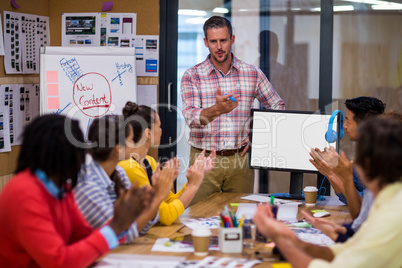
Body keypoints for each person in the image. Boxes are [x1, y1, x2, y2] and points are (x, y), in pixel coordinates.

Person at [0, 114, 152, 267]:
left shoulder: (60, 188)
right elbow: (59, 261)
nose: (82, 159)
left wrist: (118, 224)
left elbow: (82, 235)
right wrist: (116, 226)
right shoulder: (24, 193)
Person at [254, 117, 402, 268]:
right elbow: (346, 250)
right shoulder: (385, 201)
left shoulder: (393, 215)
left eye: (356, 157)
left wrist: (280, 239)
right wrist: (294, 240)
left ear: (368, 164)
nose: (352, 163)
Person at [181, 16, 285, 205]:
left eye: (223, 40)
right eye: (213, 41)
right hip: (203, 159)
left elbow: (277, 106)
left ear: (232, 39)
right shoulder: (192, 76)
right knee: (197, 218)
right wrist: (216, 110)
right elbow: (191, 117)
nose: (219, 47)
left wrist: (257, 137)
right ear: (205, 42)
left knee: (240, 218)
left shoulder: (252, 73)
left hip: (240, 160)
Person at [74, 115, 179, 243]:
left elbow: (141, 225)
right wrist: (158, 196)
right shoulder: (88, 186)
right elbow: (120, 235)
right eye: (131, 140)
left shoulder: (119, 173)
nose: (135, 143)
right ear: (119, 148)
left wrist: (155, 194)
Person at [118, 102, 216, 225]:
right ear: (148, 134)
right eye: (159, 126)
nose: (161, 130)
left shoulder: (149, 162)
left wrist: (194, 178)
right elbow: (165, 216)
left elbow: (168, 201)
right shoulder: (129, 167)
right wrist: (193, 185)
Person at [309, 96, 385, 219]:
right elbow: (349, 199)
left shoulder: (380, 159)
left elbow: (363, 210)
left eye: (348, 121)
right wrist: (332, 173)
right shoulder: (364, 153)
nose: (344, 126)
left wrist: (333, 174)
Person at [258, 30, 309, 111]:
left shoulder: (247, 73)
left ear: (258, 49)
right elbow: (302, 101)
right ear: (277, 48)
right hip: (282, 119)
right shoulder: (286, 73)